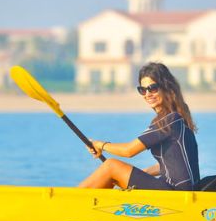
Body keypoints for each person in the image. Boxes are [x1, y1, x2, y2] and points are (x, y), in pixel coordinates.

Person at [78, 62, 200, 191]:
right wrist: (140, 174)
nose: (147, 94)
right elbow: (172, 165)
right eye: (142, 90)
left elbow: (129, 151)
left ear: (166, 87)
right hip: (180, 189)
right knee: (116, 174)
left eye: (152, 88)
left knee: (111, 166)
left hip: (176, 193)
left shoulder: (170, 120)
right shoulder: (178, 118)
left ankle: (70, 199)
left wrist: (100, 145)